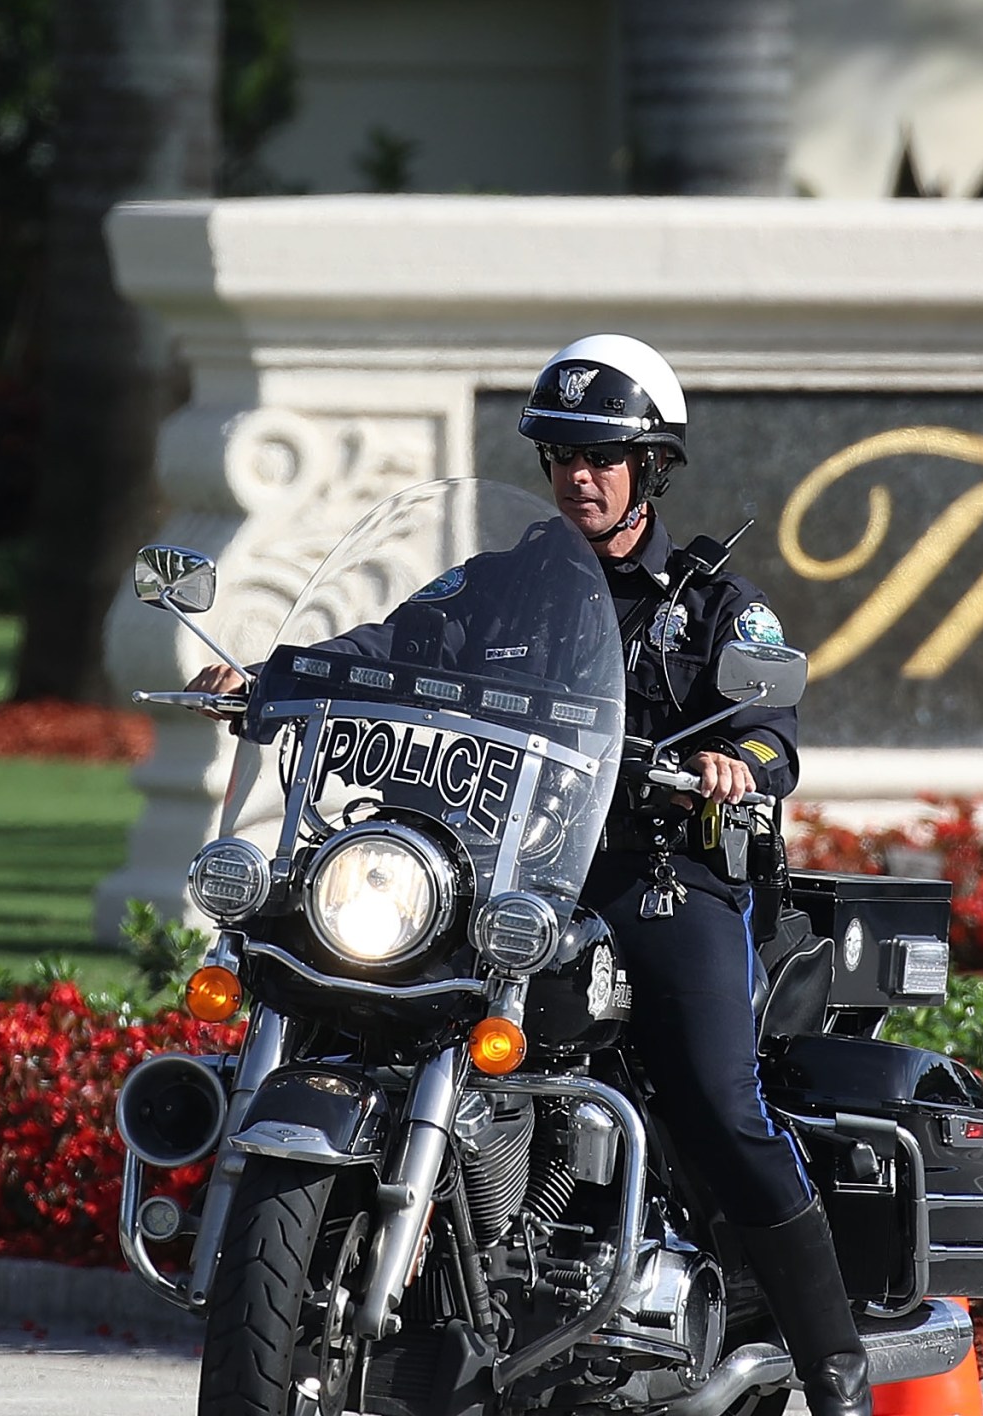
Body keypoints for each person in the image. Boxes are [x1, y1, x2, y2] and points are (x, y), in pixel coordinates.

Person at [192, 334, 871, 1416]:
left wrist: (727, 766)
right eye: (560, 454)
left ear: (650, 466)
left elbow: (770, 739)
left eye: (603, 456)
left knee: (713, 1097)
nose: (578, 476)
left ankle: (833, 1367)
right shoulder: (502, 586)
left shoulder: (711, 607)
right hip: (511, 875)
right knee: (350, 997)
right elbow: (385, 644)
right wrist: (271, 675)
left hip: (655, 878)